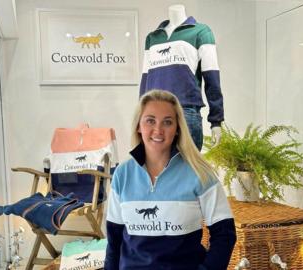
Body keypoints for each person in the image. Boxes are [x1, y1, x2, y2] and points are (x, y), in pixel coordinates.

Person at [105, 90, 236, 270]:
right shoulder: (122, 174)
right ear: (138, 126)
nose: (158, 130)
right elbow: (114, 241)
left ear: (177, 129)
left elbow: (225, 235)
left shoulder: (200, 173)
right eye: (150, 120)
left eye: (167, 122)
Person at [140, 5, 223, 150]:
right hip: (153, 113)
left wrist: (216, 121)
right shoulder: (152, 38)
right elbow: (145, 79)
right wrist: (141, 115)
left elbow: (212, 78)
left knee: (187, 170)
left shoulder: (201, 32)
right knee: (157, 170)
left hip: (186, 112)